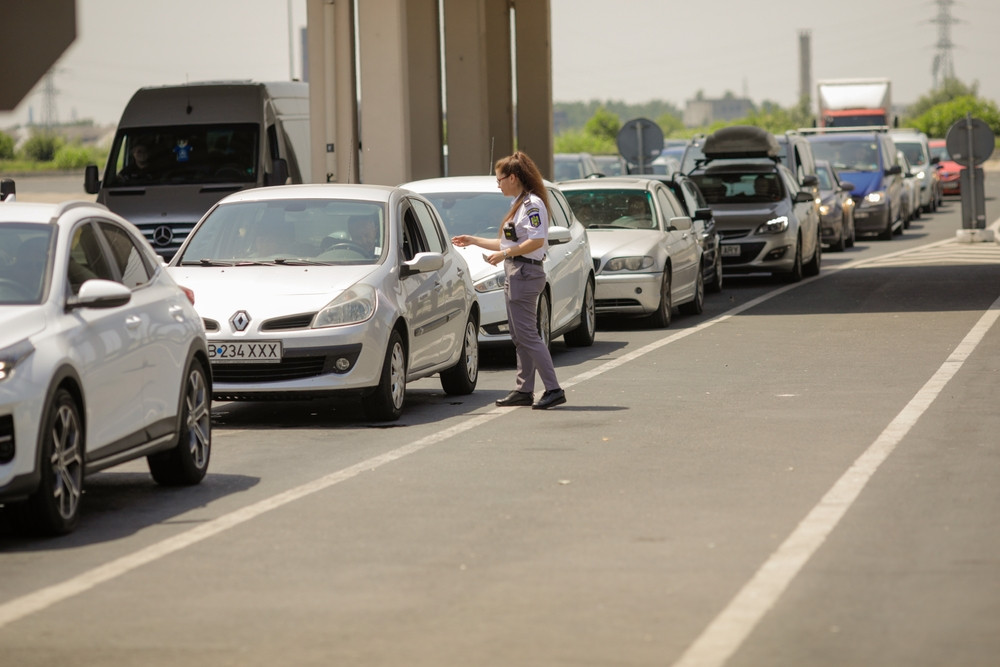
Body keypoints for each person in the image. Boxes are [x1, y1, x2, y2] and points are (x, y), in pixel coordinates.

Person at [451, 151, 566, 410]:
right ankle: (524, 389)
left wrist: (504, 254)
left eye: (499, 179)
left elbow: (536, 241)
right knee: (519, 335)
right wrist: (472, 240)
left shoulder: (532, 205)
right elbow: (506, 243)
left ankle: (553, 388)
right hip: (517, 271)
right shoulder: (519, 204)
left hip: (525, 273)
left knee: (528, 335)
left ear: (513, 177)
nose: (498, 185)